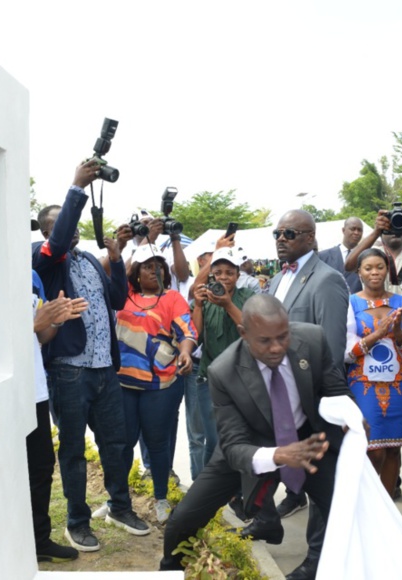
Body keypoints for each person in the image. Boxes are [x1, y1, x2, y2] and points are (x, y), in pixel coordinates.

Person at [161, 295, 352, 580]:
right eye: (265, 341)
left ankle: (316, 565)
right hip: (250, 443)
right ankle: (170, 571)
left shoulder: (312, 340)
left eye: (283, 337)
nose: (277, 348)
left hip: (306, 441)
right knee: (182, 521)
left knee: (343, 509)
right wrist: (277, 455)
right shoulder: (223, 372)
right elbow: (234, 445)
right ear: (244, 333)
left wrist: (352, 417)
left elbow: (336, 391)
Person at [33, 160, 151, 553]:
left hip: (103, 370)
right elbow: (61, 233)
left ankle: (120, 507)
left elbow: (117, 299)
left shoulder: (86, 261)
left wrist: (117, 260)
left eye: (75, 226)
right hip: (69, 372)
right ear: (50, 230)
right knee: (72, 450)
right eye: (64, 225)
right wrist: (77, 189)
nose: (73, 230)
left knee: (116, 445)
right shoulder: (46, 260)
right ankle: (77, 522)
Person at [262, 209, 350, 572]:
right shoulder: (274, 281)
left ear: (310, 238)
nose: (282, 239)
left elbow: (329, 347)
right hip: (277, 398)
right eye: (278, 233)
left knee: (322, 485)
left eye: (290, 233)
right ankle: (265, 519)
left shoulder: (326, 280)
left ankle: (317, 561)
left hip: (312, 401)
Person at [346, 208, 402, 506]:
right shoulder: (349, 304)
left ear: (388, 269)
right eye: (368, 269)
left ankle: (386, 510)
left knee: (395, 448)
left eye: (380, 268)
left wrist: (397, 335)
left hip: (399, 383)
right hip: (363, 384)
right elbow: (345, 350)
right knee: (371, 448)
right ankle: (369, 508)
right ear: (359, 272)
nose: (374, 273)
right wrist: (376, 334)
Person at [115, 245, 197, 523]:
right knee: (123, 444)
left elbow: (187, 330)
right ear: (136, 273)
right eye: (147, 266)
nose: (155, 270)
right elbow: (116, 272)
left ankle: (161, 497)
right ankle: (117, 500)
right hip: (123, 383)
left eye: (158, 266)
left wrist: (185, 351)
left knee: (157, 442)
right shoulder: (123, 294)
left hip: (161, 384)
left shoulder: (172, 298)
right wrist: (133, 247)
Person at [29, 271, 87, 563]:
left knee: (40, 466)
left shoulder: (29, 277)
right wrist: (33, 324)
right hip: (6, 393)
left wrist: (56, 321)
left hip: (35, 389)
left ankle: (38, 540)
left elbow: (41, 336)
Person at [188, 246, 257, 479]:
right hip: (210, 378)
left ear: (238, 275)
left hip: (244, 379)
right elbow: (194, 336)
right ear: (211, 275)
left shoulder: (248, 297)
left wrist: (228, 304)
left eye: (229, 272)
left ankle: (236, 491)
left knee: (241, 438)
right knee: (215, 438)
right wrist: (198, 305)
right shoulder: (204, 299)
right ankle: (208, 488)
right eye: (218, 273)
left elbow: (253, 330)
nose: (223, 278)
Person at [317, 216, 364, 293]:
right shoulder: (323, 256)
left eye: (360, 230)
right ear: (343, 230)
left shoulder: (365, 257)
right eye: (353, 229)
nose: (356, 233)